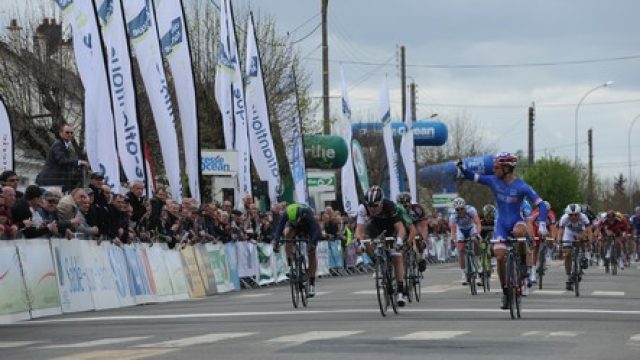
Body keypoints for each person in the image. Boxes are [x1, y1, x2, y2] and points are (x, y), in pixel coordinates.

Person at [457, 152, 548, 309]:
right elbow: (474, 177)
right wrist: (462, 168)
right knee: (499, 257)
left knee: (519, 233)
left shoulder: (521, 186)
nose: (494, 169)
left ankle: (523, 265)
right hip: (501, 224)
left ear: (507, 168)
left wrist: (542, 224)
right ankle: (506, 293)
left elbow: (541, 204)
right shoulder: (493, 181)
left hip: (517, 221)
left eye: (497, 167)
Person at [355, 185, 408, 306]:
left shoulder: (390, 206)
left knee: (396, 256)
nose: (372, 209)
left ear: (381, 203)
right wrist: (360, 243)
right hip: (375, 225)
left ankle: (400, 290)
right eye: (370, 205)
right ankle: (377, 263)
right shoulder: (363, 208)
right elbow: (359, 231)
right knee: (366, 239)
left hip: (391, 226)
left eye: (375, 206)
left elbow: (400, 228)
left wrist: (399, 241)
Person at [273, 203, 321, 297]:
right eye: (292, 220)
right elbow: (279, 228)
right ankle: (290, 265)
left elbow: (317, 231)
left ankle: (311, 284)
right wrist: (276, 242)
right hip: (295, 228)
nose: (294, 221)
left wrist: (312, 244)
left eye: (295, 220)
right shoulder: (286, 214)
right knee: (288, 235)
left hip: (308, 228)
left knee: (311, 253)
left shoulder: (307, 213)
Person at [36, 123, 88, 192]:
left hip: (56, 183)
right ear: (60, 133)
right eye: (67, 132)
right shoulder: (58, 145)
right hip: (51, 182)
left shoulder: (64, 146)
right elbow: (62, 160)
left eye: (71, 133)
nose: (69, 134)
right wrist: (79, 162)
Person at [556, 203, 592, 290]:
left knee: (582, 238)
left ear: (579, 214)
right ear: (568, 215)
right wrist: (559, 243)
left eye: (576, 215)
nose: (574, 217)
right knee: (567, 254)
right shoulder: (564, 218)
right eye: (571, 215)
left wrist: (589, 242)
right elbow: (560, 231)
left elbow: (589, 231)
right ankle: (569, 275)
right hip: (569, 233)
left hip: (581, 231)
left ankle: (583, 256)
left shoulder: (583, 217)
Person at [448, 197, 482, 285]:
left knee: (475, 240)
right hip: (461, 230)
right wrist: (453, 239)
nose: (460, 211)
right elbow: (453, 230)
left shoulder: (471, 210)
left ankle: (477, 262)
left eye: (462, 209)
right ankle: (463, 274)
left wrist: (477, 234)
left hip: (471, 227)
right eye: (458, 210)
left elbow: (477, 223)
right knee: (460, 249)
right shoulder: (453, 215)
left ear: (465, 207)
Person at [396, 191, 427, 272]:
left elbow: (423, 226)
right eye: (401, 204)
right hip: (403, 226)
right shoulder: (396, 210)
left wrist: (423, 239)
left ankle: (420, 257)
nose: (404, 206)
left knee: (418, 238)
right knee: (402, 246)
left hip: (415, 224)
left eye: (406, 204)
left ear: (410, 202)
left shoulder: (417, 209)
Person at [528, 200, 557, 284]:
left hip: (546, 228)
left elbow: (552, 227)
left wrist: (553, 238)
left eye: (547, 211)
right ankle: (533, 271)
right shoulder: (535, 213)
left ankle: (548, 253)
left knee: (550, 236)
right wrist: (533, 237)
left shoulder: (551, 214)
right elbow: (530, 224)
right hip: (535, 228)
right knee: (535, 248)